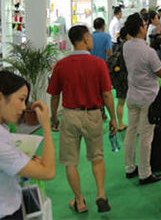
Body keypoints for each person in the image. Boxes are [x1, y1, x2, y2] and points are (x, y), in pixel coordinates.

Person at [0, 71, 55, 220]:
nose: (23, 107)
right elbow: (48, 172)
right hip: (1, 215)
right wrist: (46, 125)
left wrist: (20, 162)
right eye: (21, 99)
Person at [47, 25, 117, 213]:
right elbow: (107, 94)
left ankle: (79, 202)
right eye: (90, 37)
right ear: (85, 39)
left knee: (70, 162)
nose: (92, 40)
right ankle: (101, 194)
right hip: (93, 114)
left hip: (70, 115)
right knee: (97, 157)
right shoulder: (98, 64)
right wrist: (113, 118)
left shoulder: (61, 65)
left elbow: (54, 95)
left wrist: (54, 117)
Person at [123, 13, 161, 185]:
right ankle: (145, 172)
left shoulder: (126, 46)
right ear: (141, 28)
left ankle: (129, 167)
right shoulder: (148, 52)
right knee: (146, 136)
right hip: (148, 98)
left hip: (132, 95)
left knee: (131, 132)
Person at [107, 27, 130, 132]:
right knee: (128, 103)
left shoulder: (118, 46)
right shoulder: (128, 47)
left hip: (118, 77)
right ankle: (125, 124)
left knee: (121, 102)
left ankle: (120, 123)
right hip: (126, 77)